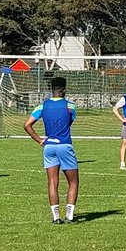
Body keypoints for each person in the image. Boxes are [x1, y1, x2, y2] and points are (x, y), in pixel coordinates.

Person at [24, 75, 79, 224]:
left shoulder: (42, 106)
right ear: (65, 89)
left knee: (52, 182)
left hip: (49, 146)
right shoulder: (70, 106)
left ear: (51, 89)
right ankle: (69, 216)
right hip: (64, 145)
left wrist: (39, 140)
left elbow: (27, 125)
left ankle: (56, 218)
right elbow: (70, 122)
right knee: (73, 182)